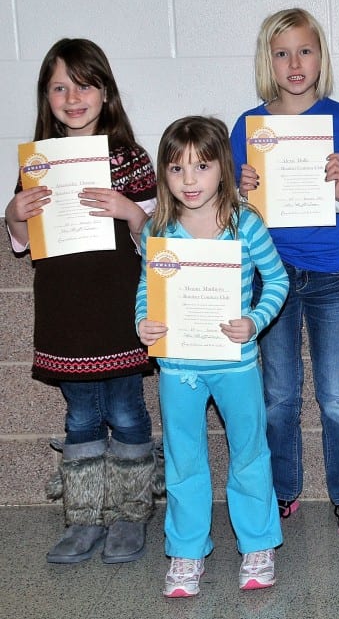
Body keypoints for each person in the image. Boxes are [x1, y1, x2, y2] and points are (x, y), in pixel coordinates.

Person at [4, 38, 159, 565]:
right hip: (66, 313)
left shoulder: (131, 160)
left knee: (127, 411)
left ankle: (131, 514)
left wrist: (129, 211)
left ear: (105, 92)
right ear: (45, 98)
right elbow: (23, 242)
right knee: (80, 418)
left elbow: (158, 241)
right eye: (59, 88)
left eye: (85, 85)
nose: (73, 98)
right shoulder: (38, 162)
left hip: (120, 311)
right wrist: (14, 213)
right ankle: (85, 517)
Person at [231, 8, 339, 535]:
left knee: (337, 392)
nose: (294, 63)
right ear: (267, 62)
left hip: (328, 274)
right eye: (282, 53)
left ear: (321, 57)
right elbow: (224, 206)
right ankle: (280, 489)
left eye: (305, 51)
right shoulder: (248, 127)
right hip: (267, 276)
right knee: (277, 395)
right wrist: (241, 192)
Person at [136, 116, 288, 597]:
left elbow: (277, 280)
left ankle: (258, 544)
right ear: (164, 173)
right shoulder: (158, 229)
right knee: (183, 460)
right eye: (177, 168)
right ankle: (186, 551)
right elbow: (146, 290)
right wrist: (143, 323)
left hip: (235, 364)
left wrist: (255, 321)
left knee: (249, 453)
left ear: (223, 167)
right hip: (177, 368)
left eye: (201, 167)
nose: (189, 180)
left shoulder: (246, 224)